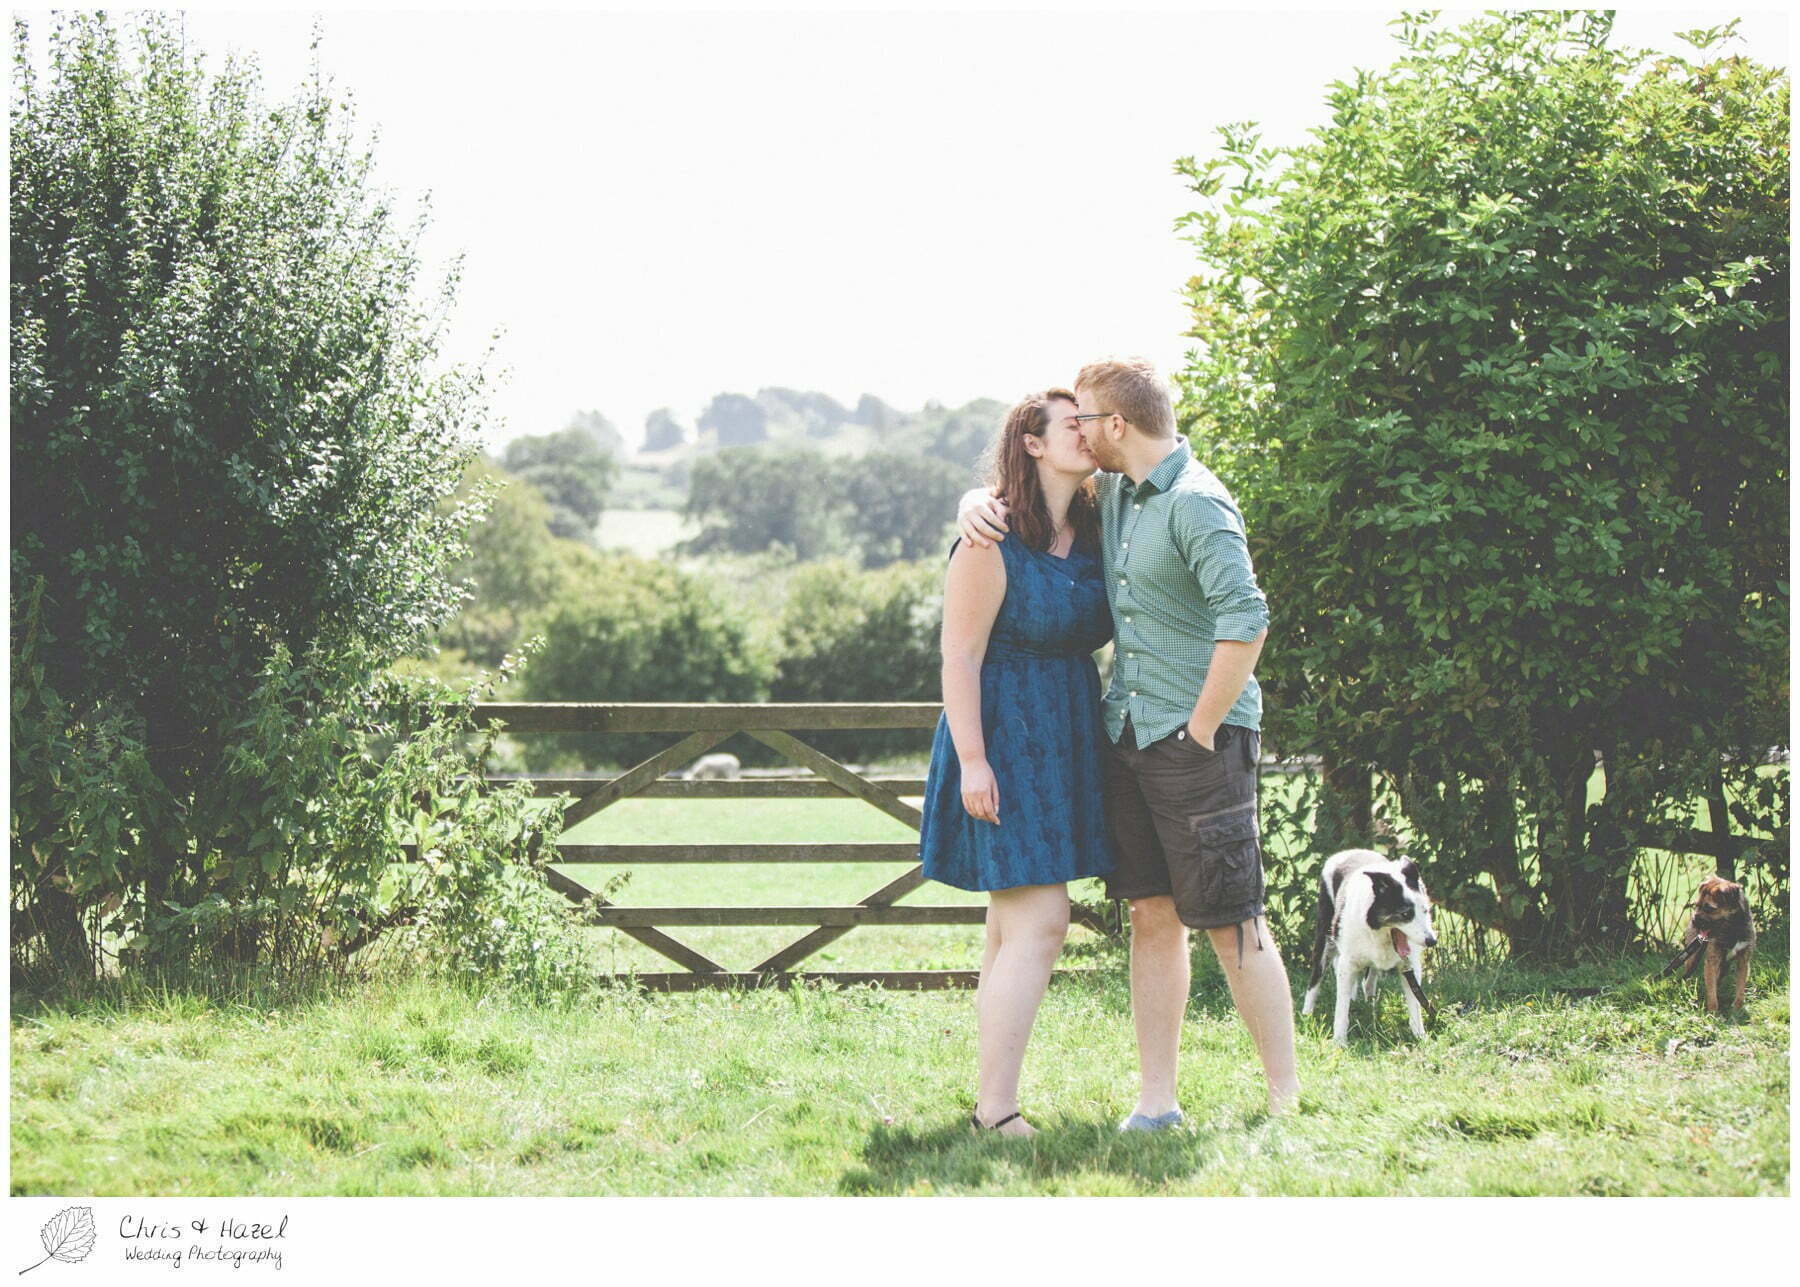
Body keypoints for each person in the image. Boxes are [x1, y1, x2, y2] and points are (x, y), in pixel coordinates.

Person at [956, 356, 1300, 1124]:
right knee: (1152, 913)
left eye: (1086, 418)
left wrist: (1203, 727)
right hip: (1129, 738)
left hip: (1199, 740)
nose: (1078, 430)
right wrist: (974, 499)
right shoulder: (1113, 496)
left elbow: (1247, 619)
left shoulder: (1198, 502)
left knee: (1234, 918)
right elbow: (1023, 490)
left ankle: (1284, 1096)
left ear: (1116, 426)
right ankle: (1156, 1102)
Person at [918, 387, 1116, 1138]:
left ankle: (988, 1095)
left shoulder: (1099, 524)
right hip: (1001, 734)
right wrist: (972, 759)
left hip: (1066, 730)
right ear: (1031, 443)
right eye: (1072, 425)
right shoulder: (989, 534)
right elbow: (958, 656)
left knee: (1011, 923)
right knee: (1042, 920)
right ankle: (996, 1110)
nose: (1087, 434)